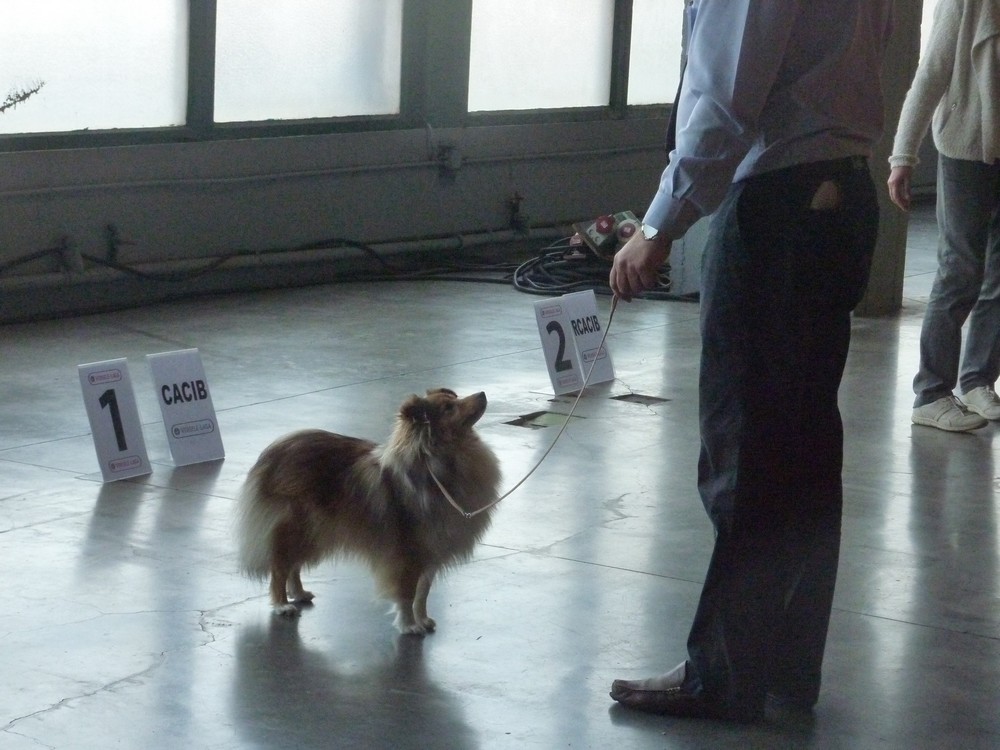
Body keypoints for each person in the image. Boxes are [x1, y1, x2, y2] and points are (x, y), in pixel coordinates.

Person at [607, 0, 894, 722]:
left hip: (779, 203)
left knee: (747, 443)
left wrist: (659, 225)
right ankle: (786, 668)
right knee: (804, 443)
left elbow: (727, 99)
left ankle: (725, 676)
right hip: (843, 191)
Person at [887, 0, 1000, 433]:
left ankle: (978, 380)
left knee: (997, 276)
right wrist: (903, 154)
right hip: (966, 145)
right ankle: (931, 392)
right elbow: (932, 71)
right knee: (961, 271)